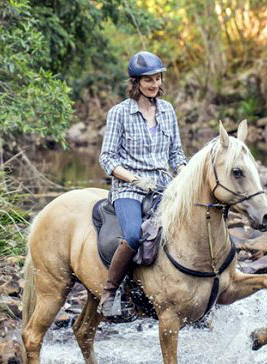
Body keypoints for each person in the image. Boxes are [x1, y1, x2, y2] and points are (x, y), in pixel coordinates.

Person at [98, 51, 187, 318]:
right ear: (136, 82)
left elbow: (176, 155)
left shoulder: (168, 110)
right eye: (148, 79)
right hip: (129, 188)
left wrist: (184, 174)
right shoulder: (119, 113)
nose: (154, 84)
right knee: (135, 235)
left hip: (162, 185)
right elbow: (106, 158)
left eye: (157, 78)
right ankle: (111, 291)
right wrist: (134, 179)